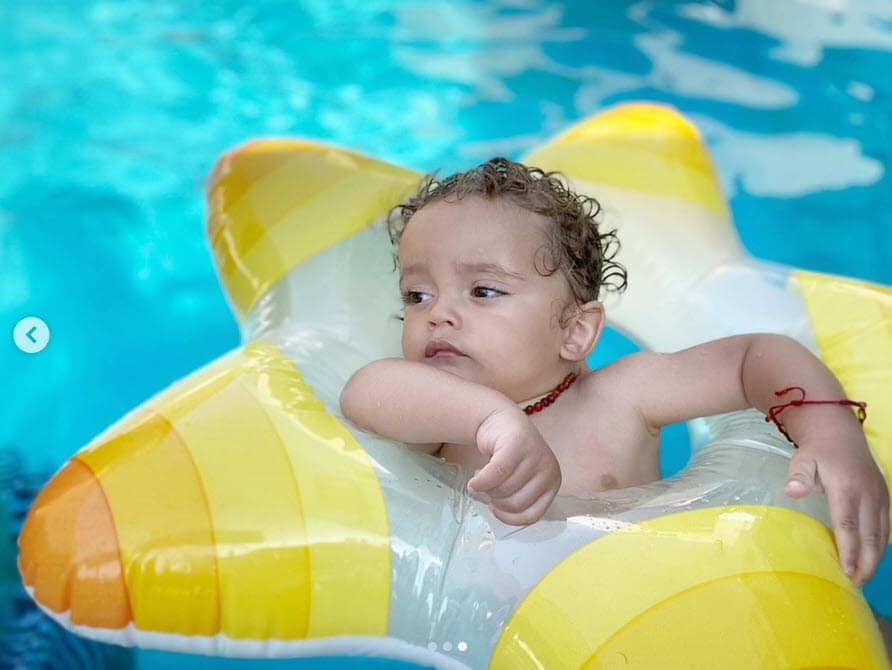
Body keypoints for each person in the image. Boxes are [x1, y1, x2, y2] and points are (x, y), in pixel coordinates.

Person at [339, 157, 889, 586]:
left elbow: (755, 357)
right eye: (417, 294)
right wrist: (490, 419)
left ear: (575, 332)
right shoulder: (444, 419)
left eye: (483, 290)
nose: (438, 314)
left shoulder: (622, 397)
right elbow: (366, 393)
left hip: (664, 599)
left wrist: (832, 433)